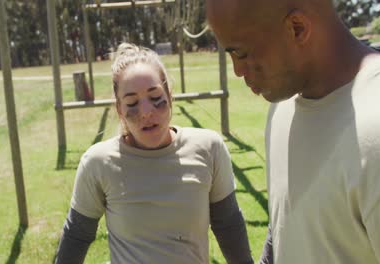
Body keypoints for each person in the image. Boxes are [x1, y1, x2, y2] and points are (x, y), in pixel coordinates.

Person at [206, 0, 380, 263]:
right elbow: (285, 229)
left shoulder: (379, 135)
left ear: (298, 28)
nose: (237, 70)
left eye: (242, 53)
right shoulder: (284, 106)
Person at [55, 43, 254, 264]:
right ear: (120, 110)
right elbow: (77, 236)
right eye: (132, 102)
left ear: (169, 96)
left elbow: (227, 223)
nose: (146, 112)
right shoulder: (98, 163)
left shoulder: (209, 148)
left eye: (155, 96)